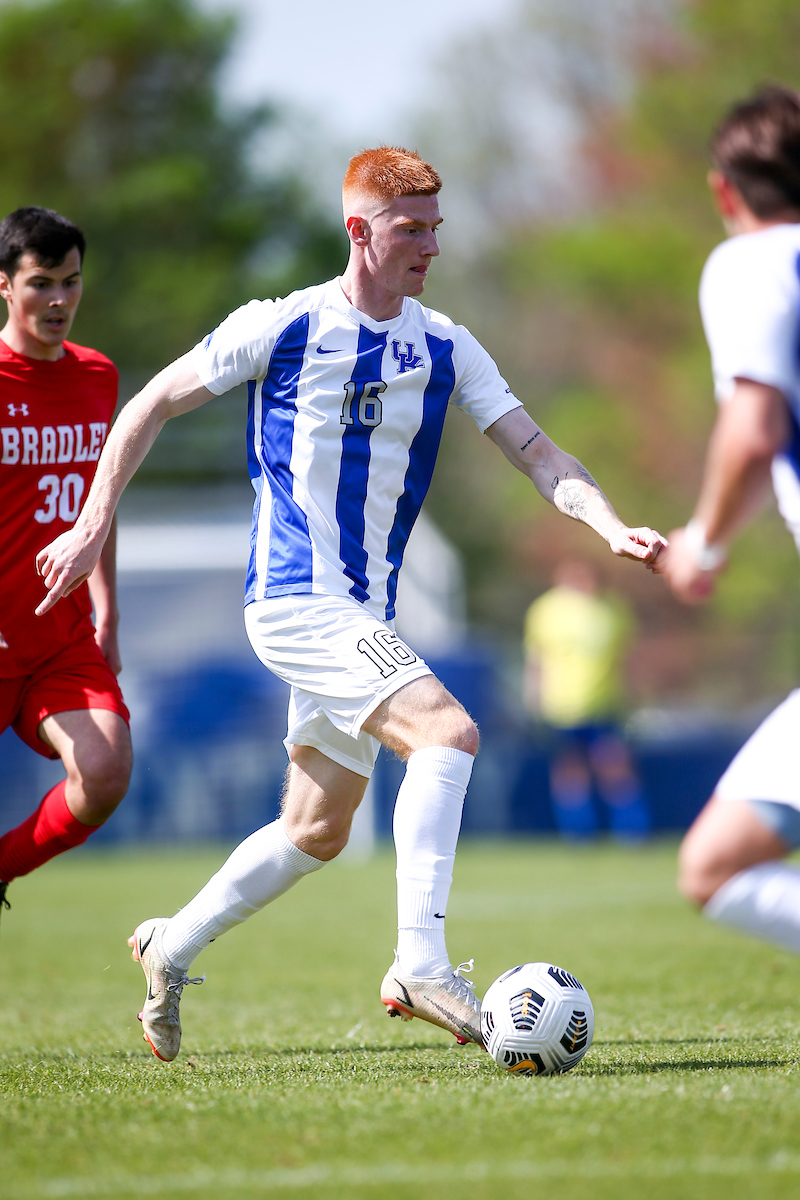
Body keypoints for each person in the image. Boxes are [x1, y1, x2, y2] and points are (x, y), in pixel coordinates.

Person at [37, 147, 664, 1062]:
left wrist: (606, 523)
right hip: (296, 598)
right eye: (411, 229)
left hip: (366, 614)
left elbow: (538, 452)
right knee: (447, 733)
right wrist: (95, 523)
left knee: (317, 828)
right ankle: (421, 964)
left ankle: (168, 947)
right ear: (358, 231)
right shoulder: (282, 326)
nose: (429, 247)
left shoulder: (446, 343)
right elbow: (151, 404)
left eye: (437, 230)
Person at [658, 87, 800, 957]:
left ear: (724, 192)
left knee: (715, 868)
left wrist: (699, 546)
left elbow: (753, 429)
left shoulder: (753, 262)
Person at [0, 207, 131, 916]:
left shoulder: (98, 377)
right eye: (41, 283)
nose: (59, 301)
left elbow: (98, 503)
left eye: (72, 282)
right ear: (3, 285)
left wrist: (108, 611)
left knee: (105, 771)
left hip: (60, 638)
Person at [523, 559, 649, 840]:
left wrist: (634, 697)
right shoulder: (545, 610)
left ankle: (631, 829)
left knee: (614, 766)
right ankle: (579, 832)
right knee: (570, 770)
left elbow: (626, 660)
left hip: (604, 704)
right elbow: (536, 660)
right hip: (560, 707)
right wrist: (532, 699)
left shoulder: (613, 610)